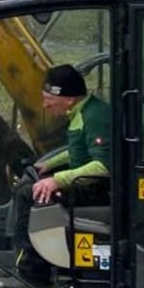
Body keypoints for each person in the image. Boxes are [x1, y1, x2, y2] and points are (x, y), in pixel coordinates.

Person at [30, 63, 111, 209]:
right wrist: (49, 164)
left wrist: (58, 180)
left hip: (98, 189)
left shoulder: (95, 117)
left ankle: (20, 233)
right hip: (85, 183)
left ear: (69, 99)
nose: (45, 105)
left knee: (28, 193)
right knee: (32, 181)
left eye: (49, 99)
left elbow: (104, 166)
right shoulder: (82, 111)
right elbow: (78, 150)